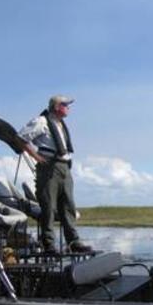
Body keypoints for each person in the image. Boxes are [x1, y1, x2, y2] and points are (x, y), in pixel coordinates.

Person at [19, 95, 92, 255]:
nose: (68, 108)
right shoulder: (41, 121)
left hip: (64, 167)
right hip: (49, 167)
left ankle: (73, 242)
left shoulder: (60, 124)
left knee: (68, 205)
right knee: (48, 206)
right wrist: (36, 157)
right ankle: (48, 244)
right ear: (57, 106)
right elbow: (21, 138)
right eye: (65, 104)